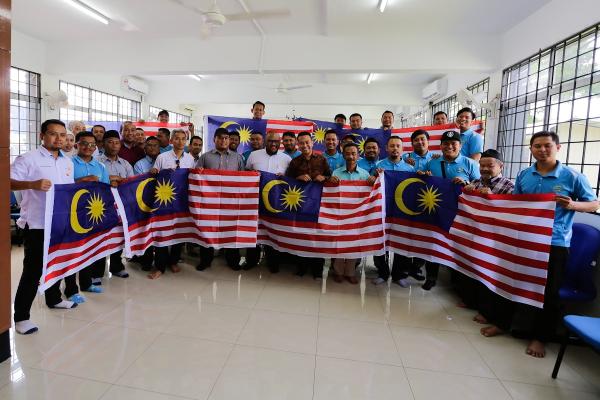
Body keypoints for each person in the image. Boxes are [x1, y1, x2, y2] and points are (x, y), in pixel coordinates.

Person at [511, 131, 597, 358]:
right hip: (526, 239)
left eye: (547, 145)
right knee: (519, 283)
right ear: (531, 149)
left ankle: (541, 338)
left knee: (549, 292)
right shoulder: (524, 175)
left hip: (555, 242)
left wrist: (573, 205)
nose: (542, 150)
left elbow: (594, 204)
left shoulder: (572, 176)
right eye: (537, 146)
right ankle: (513, 324)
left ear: (557, 147)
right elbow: (516, 203)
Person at [10, 119, 78, 334]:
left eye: (62, 135)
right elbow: (7, 181)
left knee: (57, 263)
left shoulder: (67, 162)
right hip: (37, 224)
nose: (58, 138)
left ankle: (54, 299)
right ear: (42, 135)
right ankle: (21, 318)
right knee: (33, 271)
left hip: (61, 223)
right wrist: (32, 184)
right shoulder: (28, 158)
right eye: (53, 134)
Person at [418, 130, 480, 291]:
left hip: (460, 211)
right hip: (436, 210)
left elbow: (479, 185)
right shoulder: (432, 162)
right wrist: (424, 175)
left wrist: (467, 183)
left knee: (457, 244)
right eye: (446, 143)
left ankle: (456, 280)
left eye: (453, 143)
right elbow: (422, 179)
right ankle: (431, 277)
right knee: (434, 242)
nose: (449, 146)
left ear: (460, 145)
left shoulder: (470, 163)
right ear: (441, 146)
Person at [147, 129, 196, 279]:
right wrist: (154, 170)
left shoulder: (190, 159)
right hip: (164, 202)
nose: (180, 141)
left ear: (186, 141)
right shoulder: (162, 157)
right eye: (177, 138)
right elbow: (155, 174)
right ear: (171, 141)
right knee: (162, 232)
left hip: (181, 200)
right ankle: (160, 266)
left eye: (183, 139)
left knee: (178, 231)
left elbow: (193, 177)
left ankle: (173, 261)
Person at [195, 128, 245, 270]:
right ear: (214, 139)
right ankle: (206, 260)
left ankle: (233, 260)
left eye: (226, 138)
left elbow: (243, 179)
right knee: (207, 230)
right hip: (209, 202)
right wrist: (198, 172)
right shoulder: (205, 157)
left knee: (232, 229)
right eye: (220, 138)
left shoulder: (238, 158)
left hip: (231, 202)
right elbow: (196, 177)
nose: (224, 140)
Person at [371, 136, 417, 287]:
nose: (395, 148)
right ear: (386, 148)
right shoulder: (378, 165)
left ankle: (398, 274)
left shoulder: (410, 169)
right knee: (380, 241)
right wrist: (375, 176)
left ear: (402, 149)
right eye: (392, 146)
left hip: (401, 211)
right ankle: (382, 272)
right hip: (382, 210)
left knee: (400, 241)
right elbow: (370, 184)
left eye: (398, 146)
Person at [286, 132, 331, 279]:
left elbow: (330, 177)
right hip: (301, 205)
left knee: (317, 236)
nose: (304, 145)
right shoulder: (294, 162)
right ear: (297, 145)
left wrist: (324, 177)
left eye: (307, 142)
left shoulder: (322, 159)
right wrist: (298, 177)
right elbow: (287, 181)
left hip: (318, 204)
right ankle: (301, 267)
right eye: (301, 143)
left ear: (312, 143)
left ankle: (317, 269)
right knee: (301, 235)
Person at [243, 132, 292, 271]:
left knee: (273, 231)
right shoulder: (254, 155)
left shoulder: (286, 159)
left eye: (276, 141)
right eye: (270, 141)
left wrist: (285, 177)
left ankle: (273, 262)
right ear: (265, 141)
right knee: (254, 230)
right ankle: (251, 260)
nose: (273, 144)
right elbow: (247, 173)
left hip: (275, 203)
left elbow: (290, 180)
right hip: (255, 201)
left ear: (280, 142)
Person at [329, 143, 376, 284]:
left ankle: (350, 272)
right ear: (343, 155)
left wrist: (373, 181)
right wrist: (330, 181)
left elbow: (370, 194)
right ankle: (338, 272)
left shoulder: (364, 174)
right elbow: (330, 193)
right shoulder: (336, 173)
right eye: (348, 154)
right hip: (340, 214)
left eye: (353, 153)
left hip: (357, 215)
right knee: (338, 243)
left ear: (358, 155)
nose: (350, 156)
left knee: (354, 243)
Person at [71, 131, 110, 294]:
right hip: (73, 213)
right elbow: (62, 187)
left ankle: (86, 283)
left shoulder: (101, 167)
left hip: (94, 214)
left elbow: (106, 189)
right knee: (73, 251)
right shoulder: (68, 163)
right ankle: (71, 288)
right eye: (84, 143)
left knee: (89, 249)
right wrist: (81, 181)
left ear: (96, 147)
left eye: (92, 144)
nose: (88, 147)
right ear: (76, 145)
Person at [99, 130, 134, 279]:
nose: (114, 145)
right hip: (101, 206)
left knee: (119, 236)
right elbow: (95, 182)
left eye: (117, 142)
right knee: (100, 239)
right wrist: (110, 180)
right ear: (103, 144)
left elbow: (131, 183)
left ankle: (116, 266)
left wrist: (120, 181)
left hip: (120, 206)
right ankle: (97, 273)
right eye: (110, 142)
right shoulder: (97, 162)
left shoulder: (125, 164)